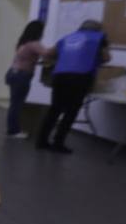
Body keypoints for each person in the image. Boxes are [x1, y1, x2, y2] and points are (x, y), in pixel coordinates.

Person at [36, 19, 110, 153]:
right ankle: (58, 143)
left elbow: (49, 54)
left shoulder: (67, 37)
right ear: (98, 30)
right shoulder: (99, 38)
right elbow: (106, 58)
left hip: (60, 75)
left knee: (55, 109)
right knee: (71, 111)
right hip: (81, 77)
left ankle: (41, 141)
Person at [5, 20, 48, 139]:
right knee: (17, 104)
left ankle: (12, 129)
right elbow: (47, 54)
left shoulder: (22, 43)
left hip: (12, 73)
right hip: (21, 76)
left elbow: (26, 58)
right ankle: (14, 131)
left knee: (14, 103)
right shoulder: (34, 44)